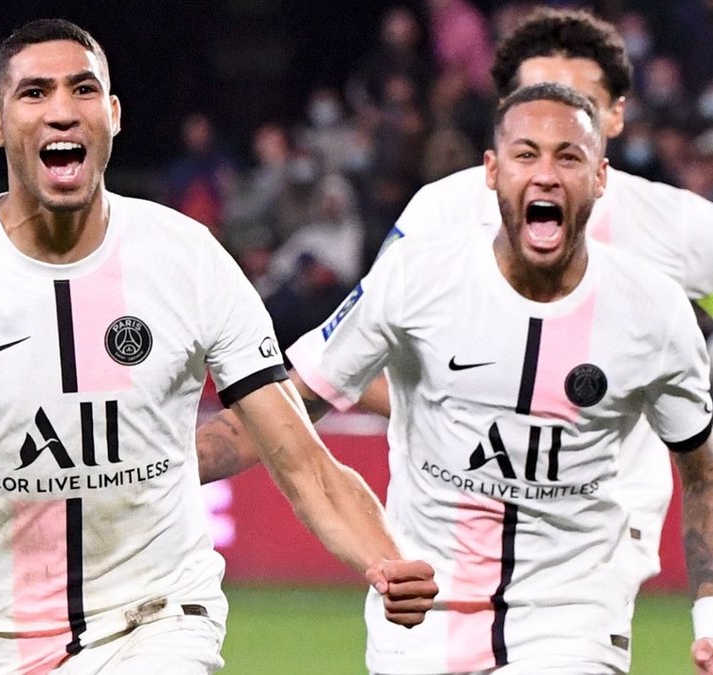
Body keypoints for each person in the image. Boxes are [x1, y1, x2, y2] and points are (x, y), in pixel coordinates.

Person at [0, 18, 437, 674]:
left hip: (161, 620)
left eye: (83, 89)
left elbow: (305, 465)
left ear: (112, 115)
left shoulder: (189, 260)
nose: (62, 109)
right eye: (34, 93)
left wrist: (384, 559)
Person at [196, 5, 713, 629]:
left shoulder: (678, 227)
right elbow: (357, 356)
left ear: (613, 117)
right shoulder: (440, 214)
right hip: (441, 533)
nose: (552, 112)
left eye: (577, 102)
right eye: (533, 100)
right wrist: (453, 404)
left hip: (599, 533)